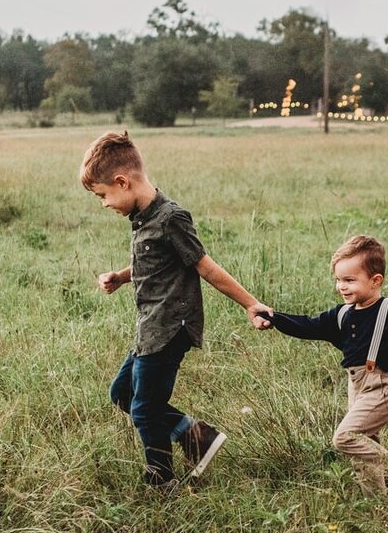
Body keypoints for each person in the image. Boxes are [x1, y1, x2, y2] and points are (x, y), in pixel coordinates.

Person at [81, 130, 269, 490]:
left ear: (122, 182)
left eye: (103, 196)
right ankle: (196, 436)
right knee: (122, 393)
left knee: (144, 409)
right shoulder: (143, 219)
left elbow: (205, 266)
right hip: (149, 327)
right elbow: (153, 264)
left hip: (169, 328)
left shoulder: (171, 218)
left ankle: (161, 479)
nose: (104, 204)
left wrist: (251, 304)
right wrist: (122, 276)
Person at [252, 235, 388, 500]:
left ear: (376, 281)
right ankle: (378, 505)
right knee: (363, 450)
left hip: (382, 387)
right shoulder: (342, 314)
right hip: (356, 387)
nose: (342, 287)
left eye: (349, 280)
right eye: (338, 280)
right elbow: (307, 325)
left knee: (345, 438)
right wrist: (274, 317)